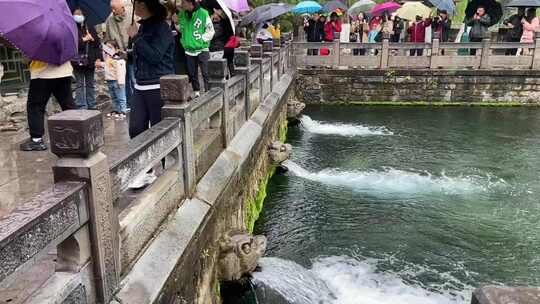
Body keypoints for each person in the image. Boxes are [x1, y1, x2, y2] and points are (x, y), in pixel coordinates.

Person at [126, 0, 174, 187]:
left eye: (139, 4)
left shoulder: (162, 29)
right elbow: (142, 55)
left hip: (158, 84)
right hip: (140, 85)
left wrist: (137, 38)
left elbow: (155, 56)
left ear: (148, 7)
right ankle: (145, 169)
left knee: (157, 128)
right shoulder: (143, 27)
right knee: (136, 128)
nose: (136, 7)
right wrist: (127, 54)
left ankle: (159, 167)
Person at [18, 59, 75, 151]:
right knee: (68, 105)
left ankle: (36, 140)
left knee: (35, 106)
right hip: (64, 71)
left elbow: (27, 58)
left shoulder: (37, 43)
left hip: (42, 73)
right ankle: (76, 133)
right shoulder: (63, 43)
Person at [178, 0, 215, 97]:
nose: (181, 4)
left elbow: (210, 31)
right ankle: (196, 92)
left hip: (202, 49)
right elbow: (182, 29)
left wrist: (202, 40)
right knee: (192, 73)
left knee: (206, 73)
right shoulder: (182, 14)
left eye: (183, 2)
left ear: (190, 2)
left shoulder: (203, 13)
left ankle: (208, 92)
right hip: (189, 49)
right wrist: (176, 23)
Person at [72, 8, 102, 110]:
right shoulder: (72, 28)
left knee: (90, 84)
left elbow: (97, 44)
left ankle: (92, 105)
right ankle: (81, 106)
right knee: (79, 85)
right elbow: (72, 44)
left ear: (84, 15)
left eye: (79, 14)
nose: (77, 16)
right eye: (75, 14)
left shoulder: (90, 27)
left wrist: (98, 58)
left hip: (90, 61)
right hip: (77, 61)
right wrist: (84, 39)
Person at [99, 40, 127, 119]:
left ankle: (123, 111)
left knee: (121, 97)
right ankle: (116, 110)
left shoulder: (119, 59)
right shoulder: (107, 58)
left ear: (116, 49)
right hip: (109, 80)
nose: (107, 50)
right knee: (113, 97)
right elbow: (105, 65)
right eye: (106, 48)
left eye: (110, 48)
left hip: (117, 81)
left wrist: (120, 82)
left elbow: (121, 72)